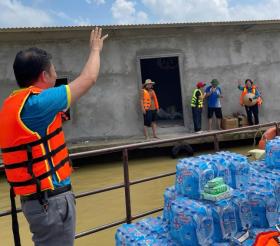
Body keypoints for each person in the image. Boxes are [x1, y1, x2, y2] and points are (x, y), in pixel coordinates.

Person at [0, 27, 108, 246]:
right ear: (44, 75)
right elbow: (89, 78)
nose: (56, 75)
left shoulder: (14, 103)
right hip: (51, 203)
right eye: (54, 70)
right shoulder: (39, 103)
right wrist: (95, 49)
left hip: (37, 201)